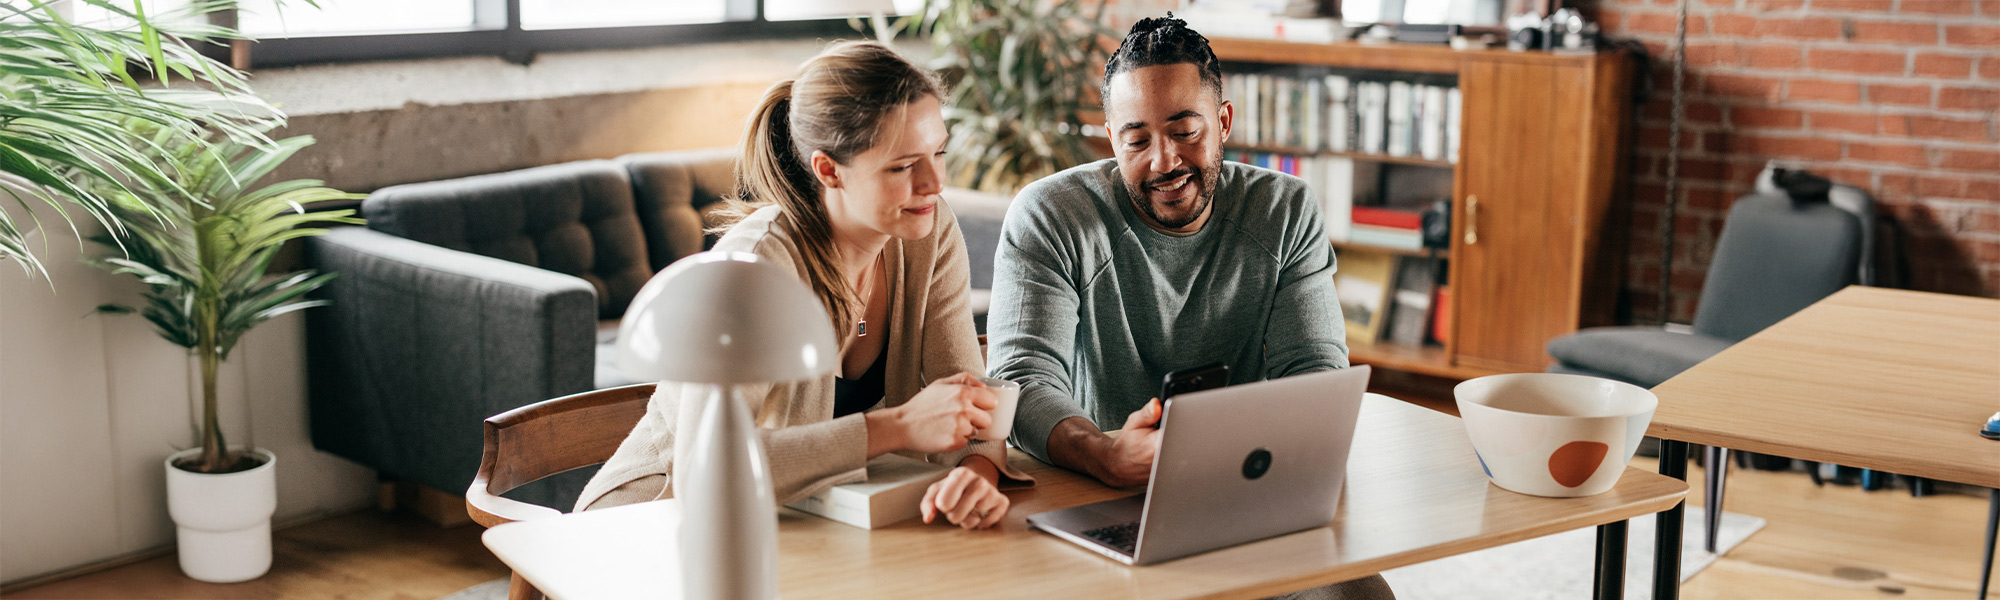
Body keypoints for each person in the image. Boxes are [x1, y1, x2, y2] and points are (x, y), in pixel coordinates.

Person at [986, 15, 1393, 598]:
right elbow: (1020, 378)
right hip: (1098, 495)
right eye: (1136, 140)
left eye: (1185, 131)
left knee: (1359, 594)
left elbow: (1315, 373)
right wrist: (1103, 453)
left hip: (1250, 494)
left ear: (1223, 121)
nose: (1163, 161)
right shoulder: (1051, 215)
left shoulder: (1285, 211)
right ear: (1110, 137)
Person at [578, 41, 1031, 529]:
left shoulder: (929, 231)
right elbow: (706, 470)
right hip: (646, 530)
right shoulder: (754, 267)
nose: (933, 182)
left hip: (795, 528)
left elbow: (970, 403)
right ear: (828, 170)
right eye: (902, 166)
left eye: (938, 152)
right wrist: (898, 427)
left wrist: (976, 471)